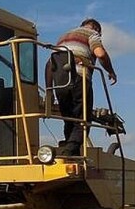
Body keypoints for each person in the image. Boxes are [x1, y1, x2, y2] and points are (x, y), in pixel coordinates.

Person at [45, 18, 117, 156]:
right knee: (83, 120)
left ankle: (71, 149)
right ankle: (69, 152)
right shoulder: (91, 34)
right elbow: (100, 53)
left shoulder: (63, 38)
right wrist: (111, 71)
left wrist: (50, 91)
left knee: (69, 119)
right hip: (79, 77)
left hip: (59, 82)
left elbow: (50, 65)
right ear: (96, 29)